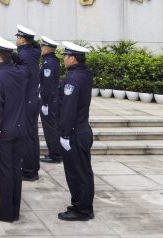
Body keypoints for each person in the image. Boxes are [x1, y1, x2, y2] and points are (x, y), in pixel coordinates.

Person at [0, 35, 28, 223]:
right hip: (19, 129)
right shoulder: (20, 72)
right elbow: (25, 63)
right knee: (15, 171)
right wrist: (14, 56)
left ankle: (5, 213)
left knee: (4, 173)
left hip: (3, 133)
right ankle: (14, 210)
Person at [57, 41, 94, 221]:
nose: (63, 59)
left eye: (65, 56)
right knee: (85, 171)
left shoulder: (72, 79)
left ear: (72, 58)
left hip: (74, 133)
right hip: (83, 129)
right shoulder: (85, 74)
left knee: (76, 173)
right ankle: (86, 206)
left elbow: (68, 110)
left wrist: (64, 134)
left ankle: (80, 211)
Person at [15, 24, 42, 181]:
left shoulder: (23, 56)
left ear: (22, 39)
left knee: (25, 136)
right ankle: (34, 168)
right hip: (34, 99)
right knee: (32, 135)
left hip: (26, 100)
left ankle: (28, 171)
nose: (16, 40)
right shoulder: (34, 52)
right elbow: (37, 45)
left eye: (18, 37)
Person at [39, 36, 62, 164]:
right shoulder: (54, 60)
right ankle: (57, 152)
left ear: (47, 50)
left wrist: (45, 102)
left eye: (42, 47)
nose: (41, 49)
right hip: (54, 98)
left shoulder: (48, 63)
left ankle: (55, 155)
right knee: (54, 127)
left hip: (50, 100)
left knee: (50, 128)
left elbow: (48, 84)